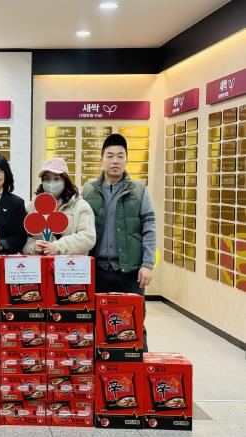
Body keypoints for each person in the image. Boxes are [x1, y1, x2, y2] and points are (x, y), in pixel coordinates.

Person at [82, 133, 156, 350]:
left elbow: (150, 228)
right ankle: (101, 366)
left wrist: (148, 264)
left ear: (126, 160)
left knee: (134, 322)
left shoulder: (139, 190)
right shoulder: (88, 190)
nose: (115, 161)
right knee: (96, 322)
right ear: (101, 159)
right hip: (97, 269)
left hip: (130, 271)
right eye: (110, 156)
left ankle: (139, 364)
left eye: (120, 156)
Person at [22, 158, 96, 256]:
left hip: (71, 264)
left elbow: (88, 237)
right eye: (47, 179)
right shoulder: (32, 206)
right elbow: (21, 238)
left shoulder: (80, 206)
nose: (51, 183)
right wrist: (32, 246)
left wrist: (57, 247)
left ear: (65, 181)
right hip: (39, 264)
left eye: (56, 178)